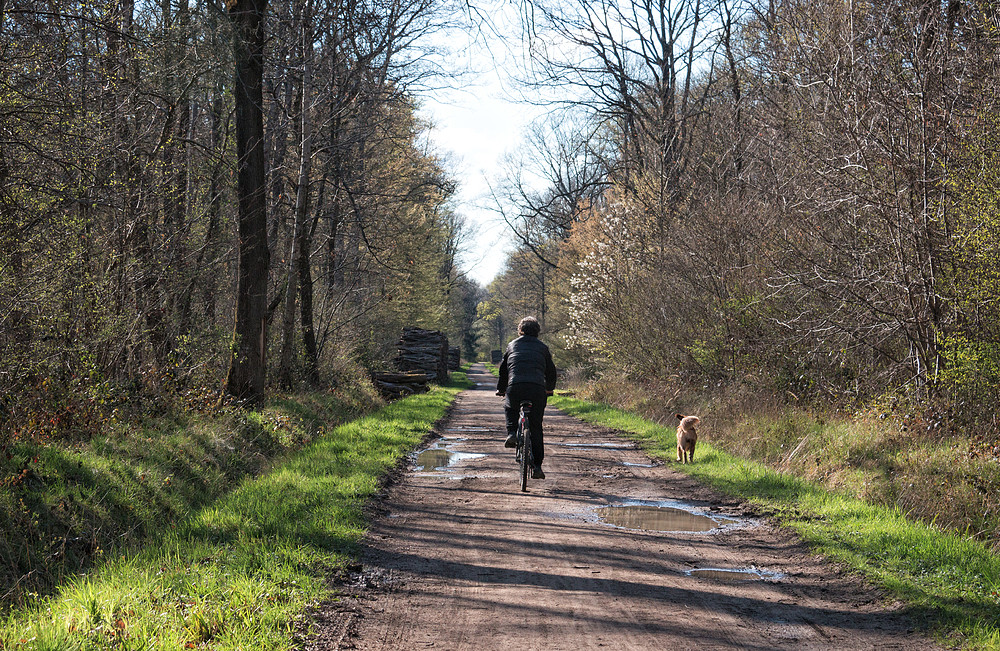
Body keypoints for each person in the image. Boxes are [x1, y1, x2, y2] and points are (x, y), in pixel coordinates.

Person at [495, 316, 557, 479]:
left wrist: (501, 389)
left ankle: (512, 433)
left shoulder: (512, 345)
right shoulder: (543, 347)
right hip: (537, 388)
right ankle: (537, 467)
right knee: (536, 428)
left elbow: (503, 370)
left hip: (516, 386)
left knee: (510, 406)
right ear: (537, 331)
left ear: (520, 330)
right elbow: (551, 371)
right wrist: (549, 389)